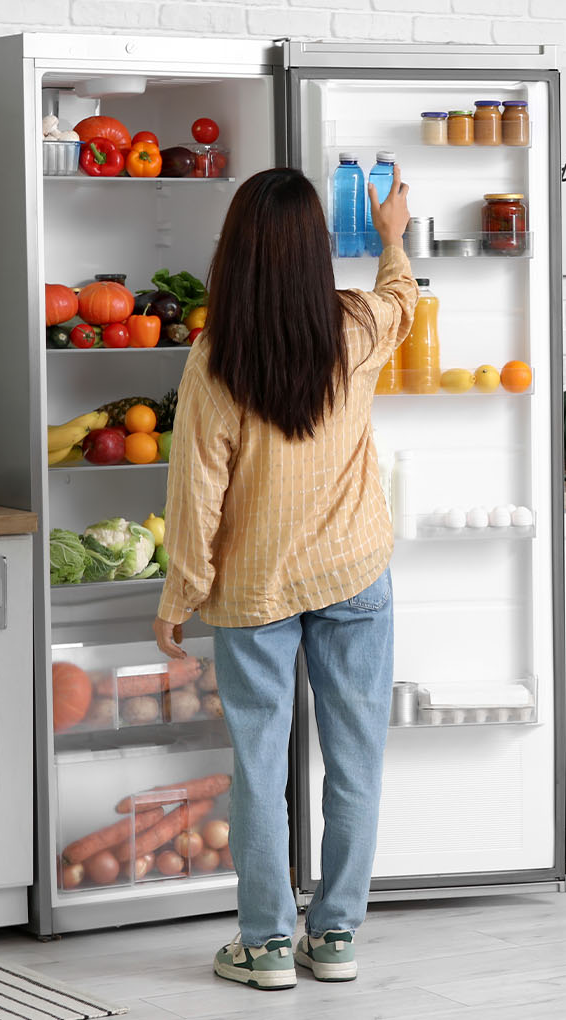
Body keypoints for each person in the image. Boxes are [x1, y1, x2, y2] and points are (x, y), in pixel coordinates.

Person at [152, 167, 415, 992]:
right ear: (317, 251)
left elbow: (197, 490)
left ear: (237, 251)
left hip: (254, 587)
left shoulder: (216, 356)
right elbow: (403, 298)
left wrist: (179, 596)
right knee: (356, 761)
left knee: (260, 765)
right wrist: (393, 233)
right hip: (353, 575)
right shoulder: (358, 327)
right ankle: (334, 936)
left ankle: (267, 946)